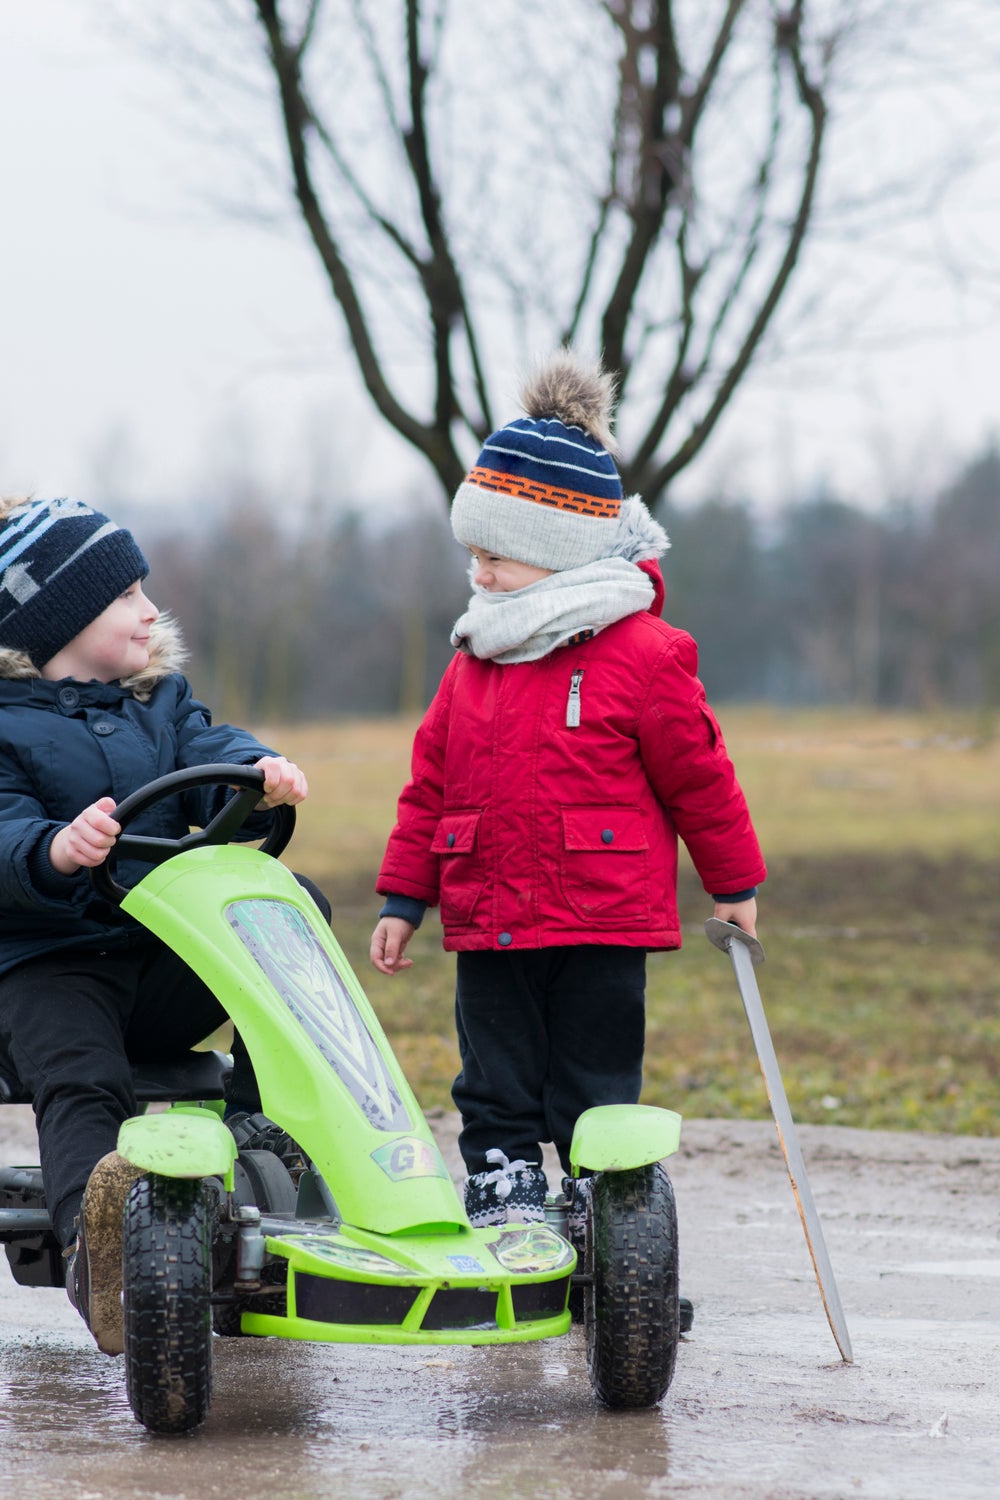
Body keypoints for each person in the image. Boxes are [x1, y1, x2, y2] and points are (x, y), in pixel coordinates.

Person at [369, 353, 766, 1229]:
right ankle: (503, 1185)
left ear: (557, 550)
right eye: (473, 553)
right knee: (493, 1073)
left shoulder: (644, 654)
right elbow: (429, 783)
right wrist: (405, 895)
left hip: (603, 912)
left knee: (595, 1069)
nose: (480, 573)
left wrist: (733, 885)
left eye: (498, 555)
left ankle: (605, 1204)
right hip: (490, 912)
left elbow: (702, 777)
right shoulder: (474, 655)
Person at [0, 478, 310, 1323]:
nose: (150, 610)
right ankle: (106, 1259)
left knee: (287, 917)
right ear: (59, 621)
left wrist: (257, 773)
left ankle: (262, 1131)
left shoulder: (161, 705)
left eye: (144, 590)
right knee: (84, 1074)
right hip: (33, 969)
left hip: (148, 962)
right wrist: (52, 848)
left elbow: (210, 749)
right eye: (127, 595)